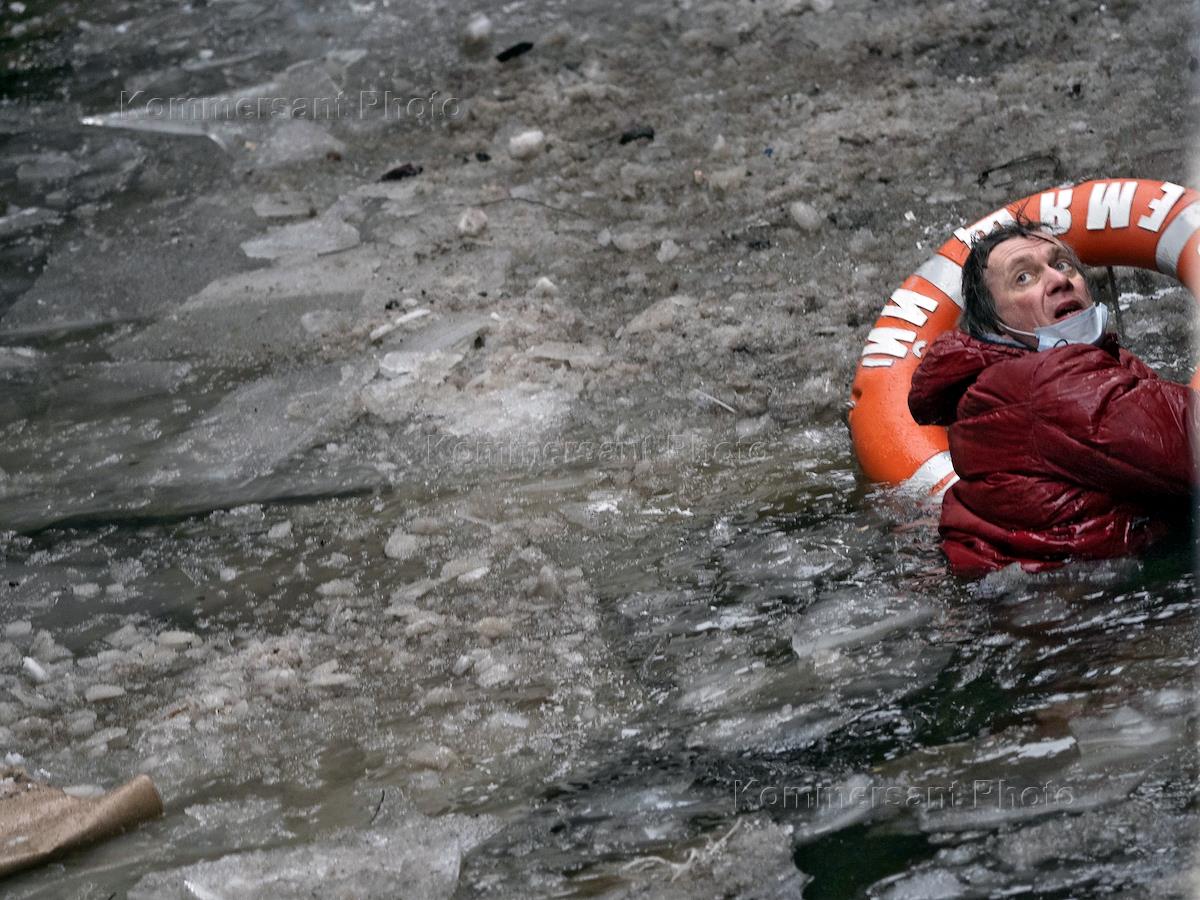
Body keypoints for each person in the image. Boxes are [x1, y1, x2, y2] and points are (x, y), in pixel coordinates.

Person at [907, 219, 1196, 578]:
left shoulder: (1012, 378)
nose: (1059, 280)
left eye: (1062, 264)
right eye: (1023, 278)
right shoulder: (1045, 383)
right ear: (994, 328)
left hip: (1015, 586)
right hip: (1064, 597)